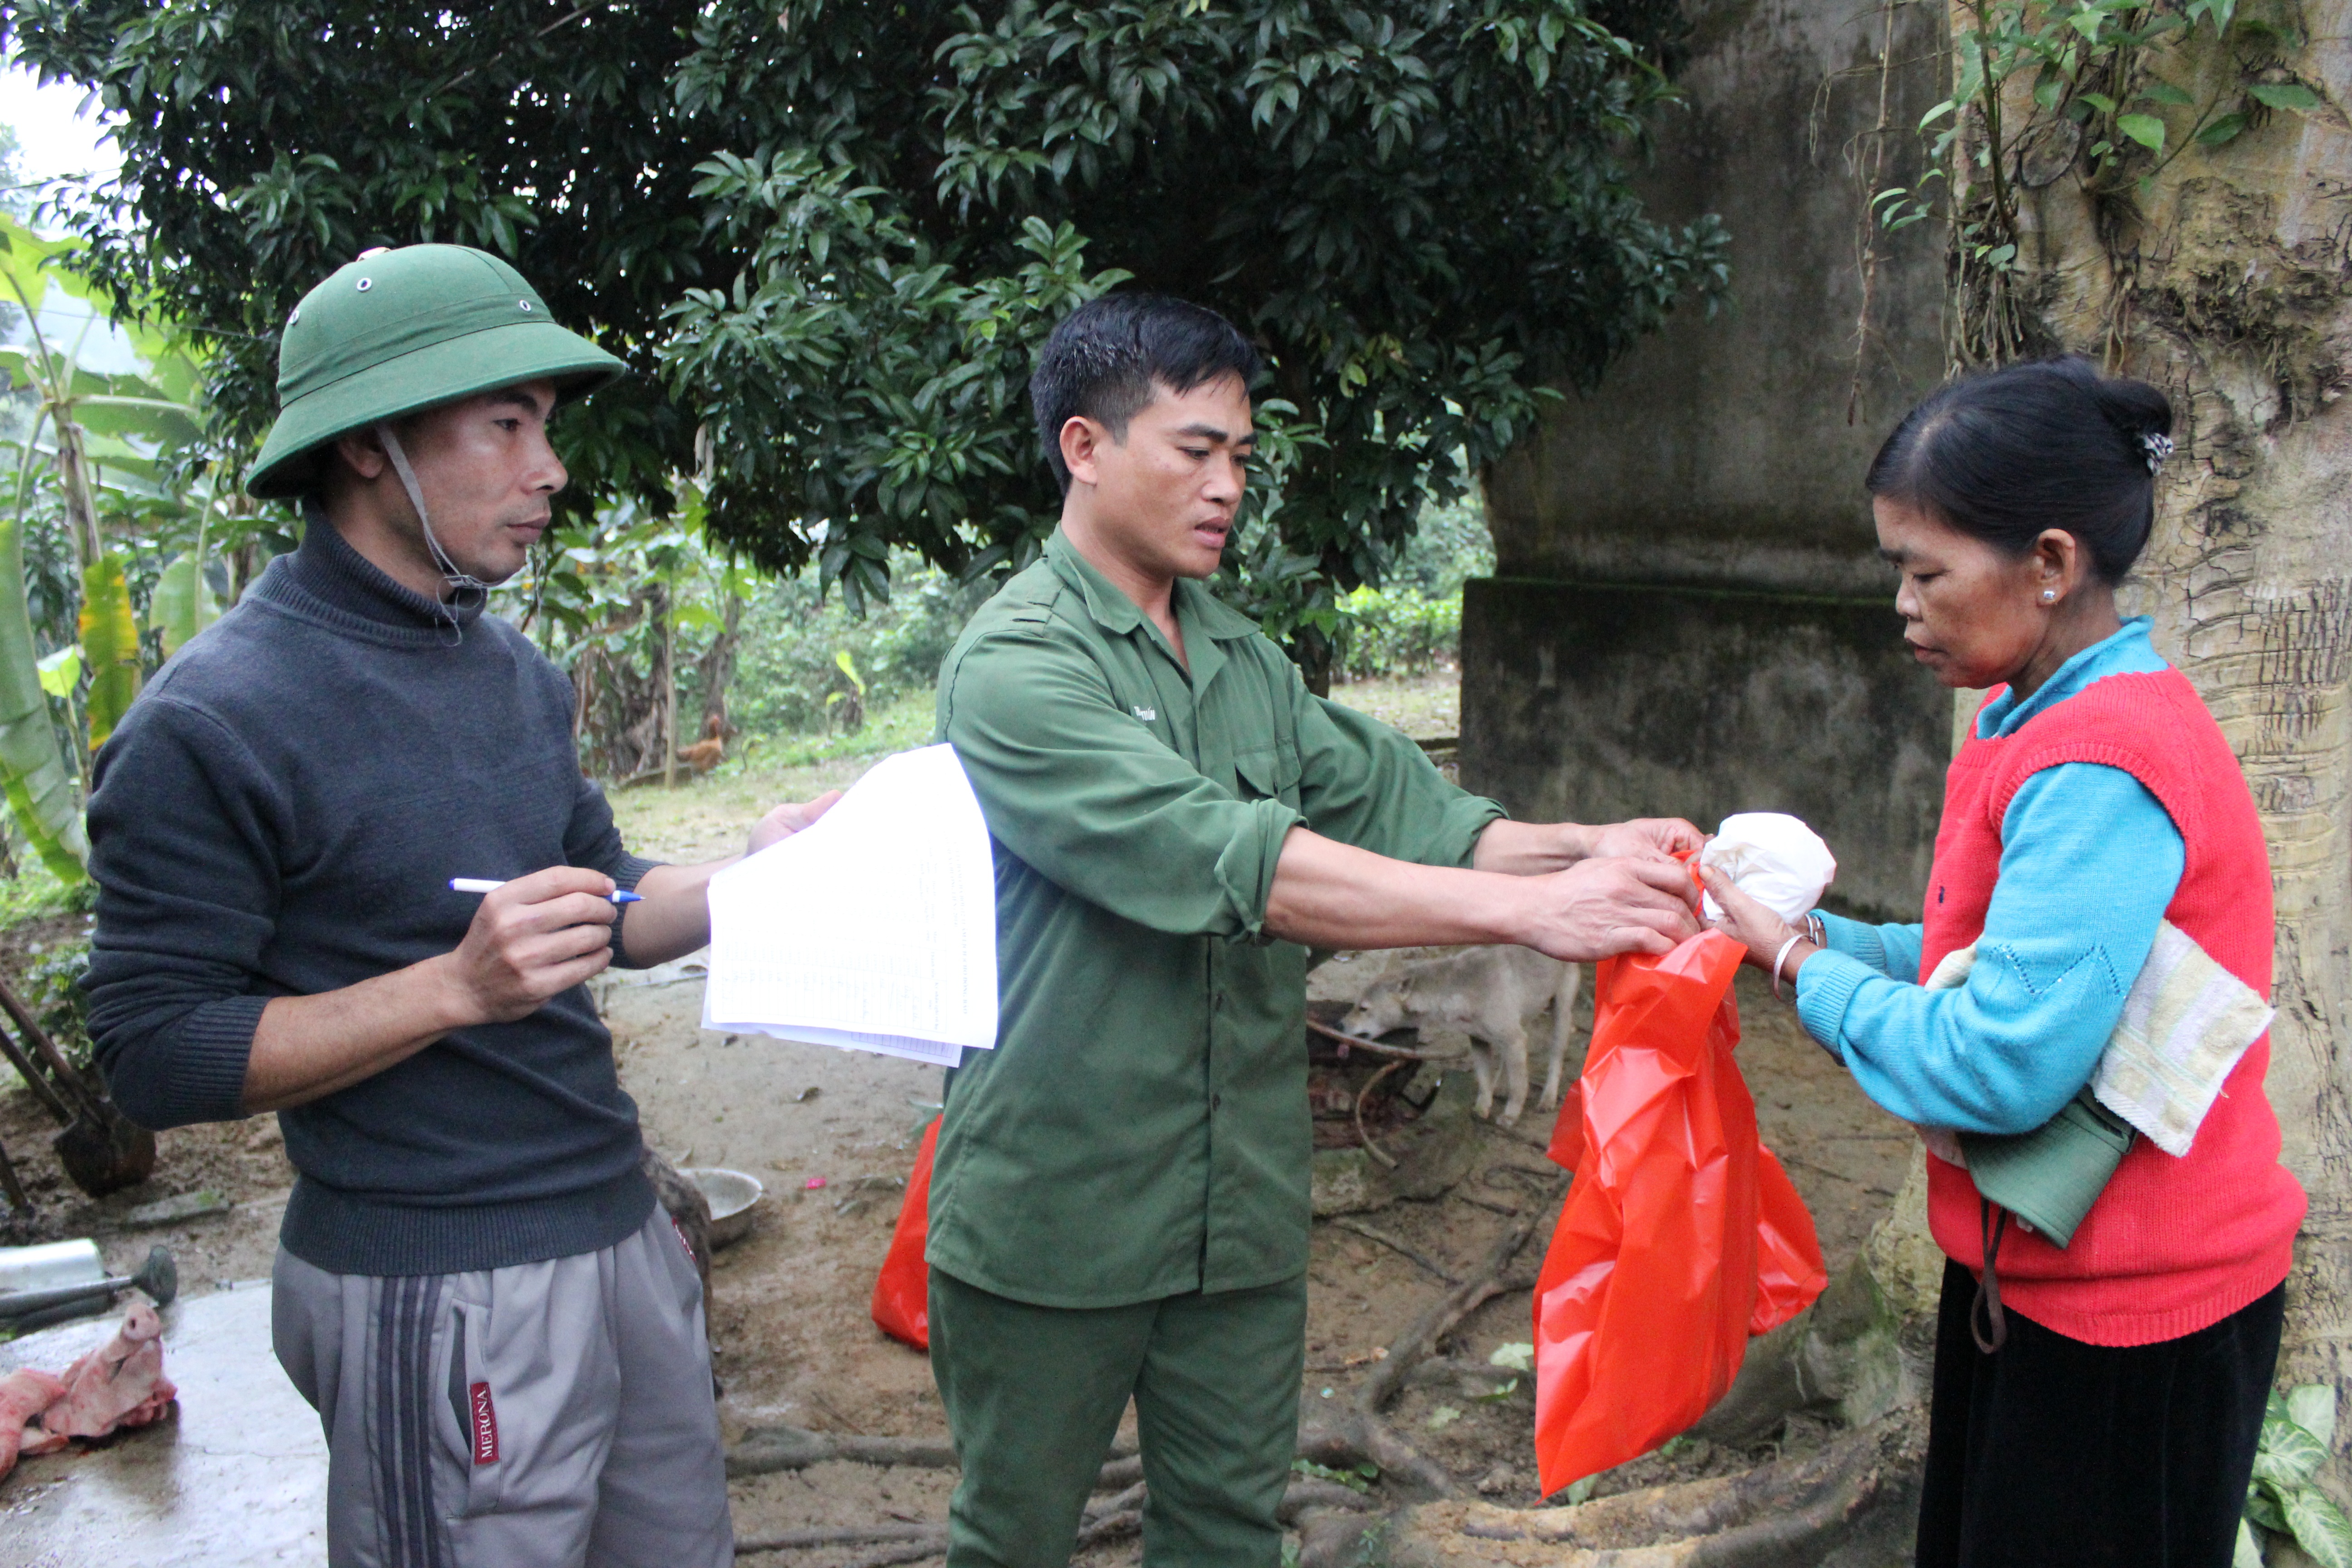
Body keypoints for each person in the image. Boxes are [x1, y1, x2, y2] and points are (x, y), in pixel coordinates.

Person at [83, 244, 836, 1568]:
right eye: (506, 423)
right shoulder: (216, 718)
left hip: (618, 1227)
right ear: (370, 445)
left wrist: (765, 873)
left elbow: (610, 899)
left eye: (546, 424)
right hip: (434, 1283)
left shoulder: (510, 672)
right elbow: (153, 1054)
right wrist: (456, 988)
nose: (549, 466)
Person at [926, 293, 1707, 1568]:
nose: (1228, 485)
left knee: (1232, 1531)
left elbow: (1418, 814)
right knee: (1015, 1534)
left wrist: (1595, 847)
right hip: (1056, 1210)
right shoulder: (1018, 667)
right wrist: (1535, 912)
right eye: (1195, 451)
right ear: (1085, 448)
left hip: (1236, 1205)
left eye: (1241, 457)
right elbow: (1247, 868)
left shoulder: (1242, 659)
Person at [1703, 357, 2305, 1568]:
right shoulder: (2044, 714)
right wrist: (1788, 928)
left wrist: (1794, 967)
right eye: (1898, 572)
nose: (1905, 605)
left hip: (2136, 1327)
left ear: (2048, 562)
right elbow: (2006, 964)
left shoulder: (2099, 762)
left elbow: (1996, 1062)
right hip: (2051, 1292)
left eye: (1927, 571)